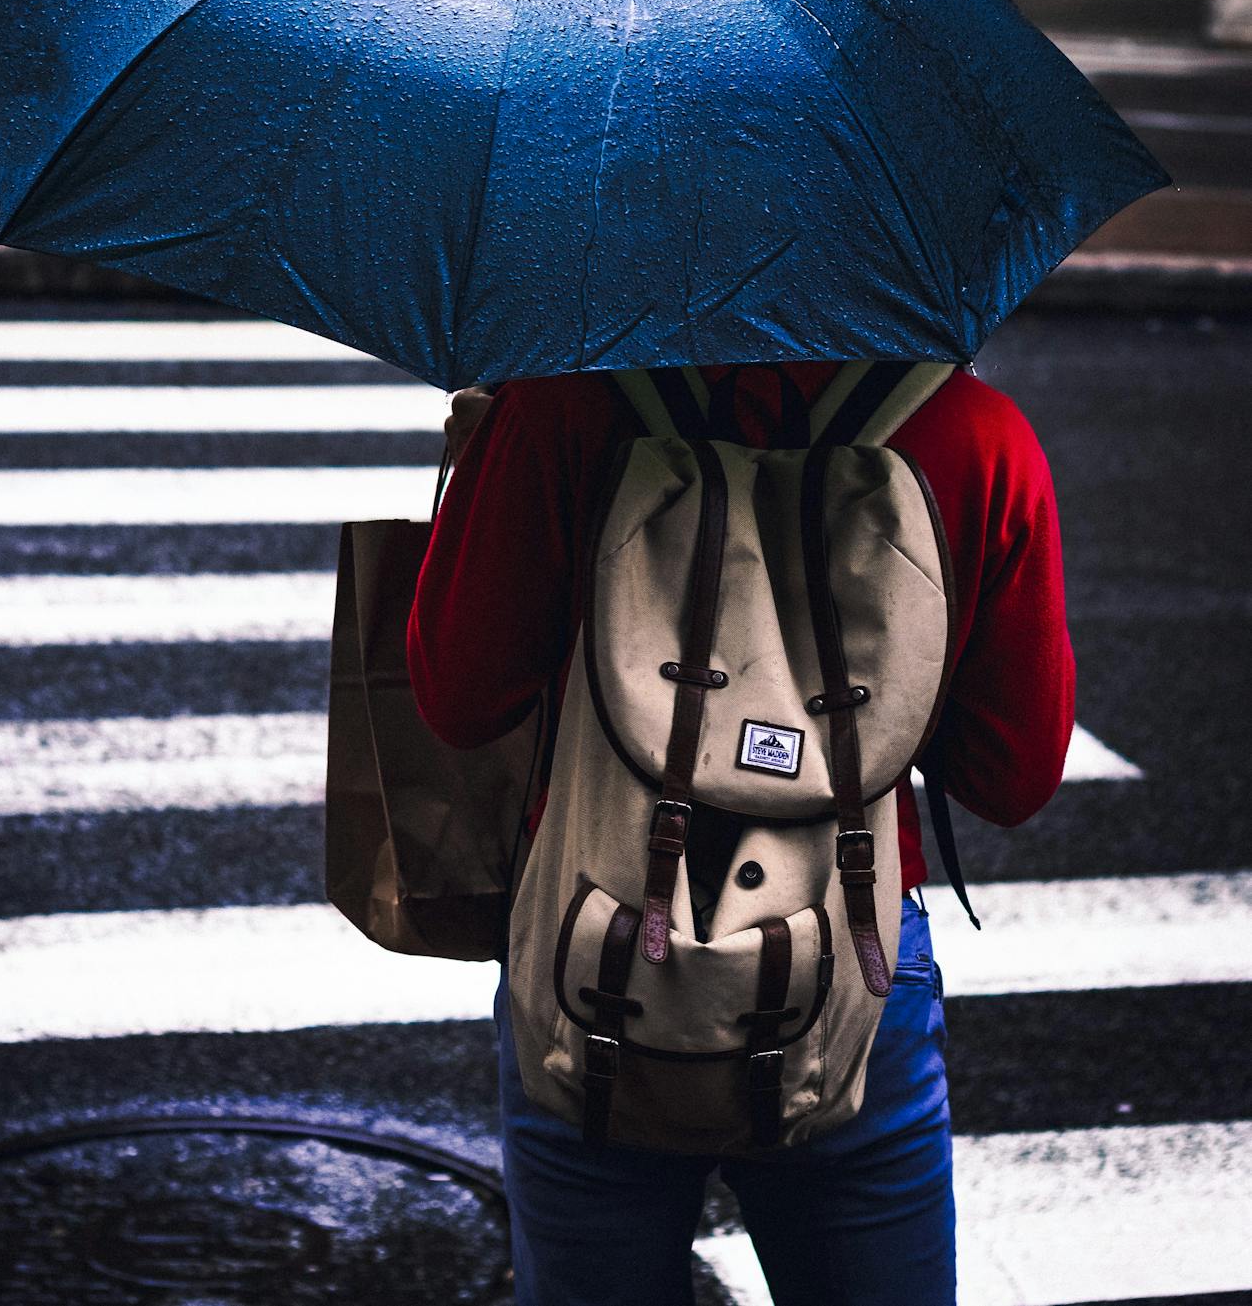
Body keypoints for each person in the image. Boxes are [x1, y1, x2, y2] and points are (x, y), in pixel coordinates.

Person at [407, 362, 1074, 1306]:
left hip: (590, 947)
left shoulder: (561, 402)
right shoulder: (973, 434)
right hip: (853, 967)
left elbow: (460, 698)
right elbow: (1012, 777)